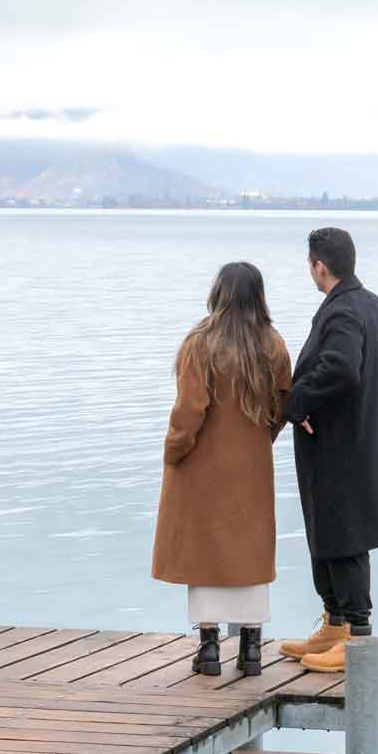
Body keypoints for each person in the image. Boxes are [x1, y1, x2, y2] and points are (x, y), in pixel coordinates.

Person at [279, 227, 378, 672]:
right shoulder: (369, 303)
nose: (310, 272)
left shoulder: (342, 311)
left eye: (310, 265)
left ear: (320, 266)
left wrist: (296, 401)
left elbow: (342, 368)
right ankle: (334, 624)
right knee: (329, 530)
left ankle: (357, 636)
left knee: (345, 535)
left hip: (343, 443)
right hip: (355, 438)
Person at [151, 262, 292, 677]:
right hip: (251, 465)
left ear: (219, 294)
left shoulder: (201, 343)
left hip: (202, 464)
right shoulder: (273, 343)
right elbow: (283, 403)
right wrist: (262, 439)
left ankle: (209, 649)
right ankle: (252, 652)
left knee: (204, 552)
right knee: (250, 551)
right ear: (258, 295)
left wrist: (174, 451)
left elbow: (189, 411)